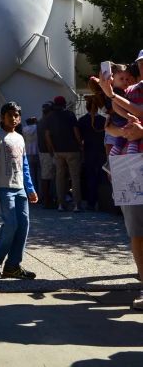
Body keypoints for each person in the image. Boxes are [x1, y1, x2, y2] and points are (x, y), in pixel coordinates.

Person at [99, 54, 143, 309]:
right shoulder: (129, 91)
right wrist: (122, 130)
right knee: (136, 232)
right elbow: (109, 126)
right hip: (127, 165)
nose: (141, 66)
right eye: (140, 63)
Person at [0, 102, 37, 279]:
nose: (13, 118)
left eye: (16, 115)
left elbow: (24, 166)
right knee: (10, 224)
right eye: (10, 115)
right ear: (2, 117)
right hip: (4, 188)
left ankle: (13, 266)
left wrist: (30, 188)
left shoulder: (20, 138)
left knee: (23, 225)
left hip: (20, 189)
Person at [45, 96, 82, 212]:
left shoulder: (50, 117)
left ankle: (61, 204)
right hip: (72, 150)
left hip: (58, 151)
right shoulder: (70, 114)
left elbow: (47, 134)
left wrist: (52, 148)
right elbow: (76, 130)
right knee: (75, 177)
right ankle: (77, 205)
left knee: (60, 177)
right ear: (65, 104)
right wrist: (80, 144)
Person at [77, 98, 106, 211]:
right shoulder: (104, 120)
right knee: (103, 177)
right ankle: (104, 201)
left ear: (86, 107)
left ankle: (91, 202)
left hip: (88, 151)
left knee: (90, 177)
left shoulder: (82, 120)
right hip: (102, 151)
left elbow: (79, 136)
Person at [37, 102, 56, 208]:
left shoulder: (40, 121)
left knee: (46, 176)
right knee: (47, 177)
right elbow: (47, 138)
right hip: (47, 152)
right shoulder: (47, 122)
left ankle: (47, 199)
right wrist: (52, 152)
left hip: (42, 151)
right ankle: (47, 201)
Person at [23, 117, 42, 198]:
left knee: (31, 176)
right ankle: (41, 195)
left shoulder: (24, 129)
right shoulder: (37, 128)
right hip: (37, 152)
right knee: (39, 175)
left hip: (28, 153)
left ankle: (32, 193)